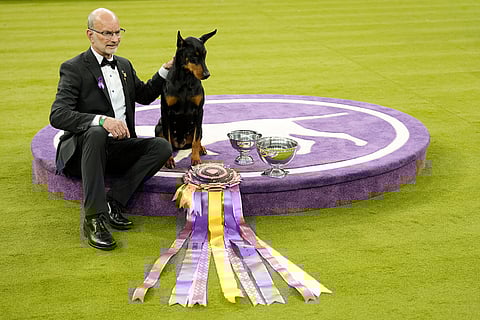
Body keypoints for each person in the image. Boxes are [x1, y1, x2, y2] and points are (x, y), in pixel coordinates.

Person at [50, 8, 173, 251]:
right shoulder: (74, 68)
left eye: (118, 32)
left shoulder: (124, 65)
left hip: (117, 150)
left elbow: (146, 95)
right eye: (107, 33)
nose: (114, 38)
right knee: (96, 132)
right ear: (90, 34)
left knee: (162, 146)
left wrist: (165, 70)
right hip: (82, 153)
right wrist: (101, 121)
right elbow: (58, 114)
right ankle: (94, 219)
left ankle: (113, 202)